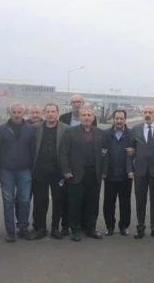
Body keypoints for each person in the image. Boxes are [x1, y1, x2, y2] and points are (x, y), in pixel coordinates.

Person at [59, 106, 108, 241]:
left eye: (89, 115)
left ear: (93, 117)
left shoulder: (100, 133)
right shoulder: (70, 132)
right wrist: (66, 170)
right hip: (75, 174)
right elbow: (63, 153)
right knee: (75, 203)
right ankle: (75, 230)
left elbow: (105, 153)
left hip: (94, 174)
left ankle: (90, 228)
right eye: (84, 115)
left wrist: (104, 171)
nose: (86, 117)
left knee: (92, 203)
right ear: (79, 117)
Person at [127, 105, 154, 240]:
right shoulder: (135, 129)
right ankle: (140, 228)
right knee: (140, 200)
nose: (147, 114)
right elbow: (130, 151)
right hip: (139, 170)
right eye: (145, 112)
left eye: (150, 112)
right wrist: (130, 169)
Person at [0, 102, 36, 242]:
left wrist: (32, 168)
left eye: (19, 112)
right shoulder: (2, 129)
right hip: (6, 171)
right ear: (10, 112)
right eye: (14, 112)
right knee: (8, 202)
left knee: (24, 200)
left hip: (25, 170)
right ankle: (10, 231)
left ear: (23, 113)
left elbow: (33, 150)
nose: (17, 115)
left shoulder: (30, 129)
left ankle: (23, 228)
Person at [32, 103, 69, 239]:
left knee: (58, 200)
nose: (50, 114)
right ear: (44, 113)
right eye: (48, 111)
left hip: (58, 171)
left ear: (57, 113)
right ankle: (40, 227)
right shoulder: (36, 128)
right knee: (40, 200)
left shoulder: (66, 129)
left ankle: (55, 227)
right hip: (40, 170)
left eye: (53, 111)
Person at [103, 109, 133, 236]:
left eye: (121, 118)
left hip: (126, 174)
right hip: (110, 174)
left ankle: (124, 226)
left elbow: (138, 150)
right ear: (113, 119)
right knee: (109, 202)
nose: (119, 121)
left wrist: (134, 151)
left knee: (125, 203)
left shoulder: (131, 134)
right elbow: (100, 150)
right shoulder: (105, 134)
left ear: (125, 119)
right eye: (117, 118)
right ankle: (110, 226)